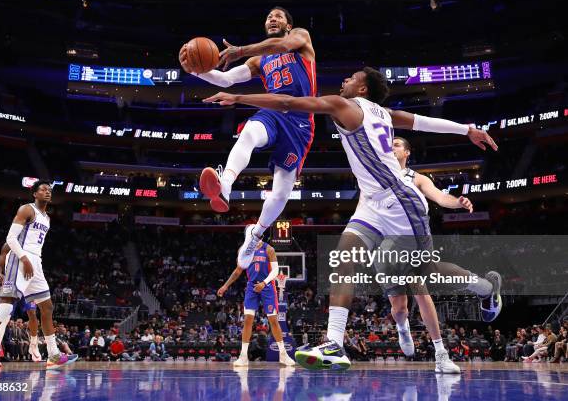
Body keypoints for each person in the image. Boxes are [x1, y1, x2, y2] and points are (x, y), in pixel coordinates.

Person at [203, 66, 497, 373]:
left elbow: (289, 103)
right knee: (345, 254)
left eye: (351, 77)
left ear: (362, 90)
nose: (344, 79)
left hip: (400, 203)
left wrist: (237, 96)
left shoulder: (345, 106)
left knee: (428, 271)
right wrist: (466, 130)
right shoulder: (382, 112)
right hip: (370, 202)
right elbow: (423, 123)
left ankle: (486, 289)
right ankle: (335, 344)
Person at [180, 6, 316, 269]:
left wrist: (240, 50)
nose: (272, 19)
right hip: (274, 110)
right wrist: (195, 69)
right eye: (268, 16)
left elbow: (280, 46)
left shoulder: (300, 38)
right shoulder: (259, 61)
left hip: (300, 121)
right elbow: (226, 79)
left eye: (278, 16)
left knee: (280, 193)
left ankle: (255, 235)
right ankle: (225, 185)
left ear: (289, 25)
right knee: (249, 134)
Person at [384, 137, 502, 362]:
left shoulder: (417, 178)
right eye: (389, 144)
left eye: (397, 144)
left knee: (419, 284)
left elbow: (439, 196)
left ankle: (440, 350)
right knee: (399, 309)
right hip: (387, 242)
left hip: (415, 236)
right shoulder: (377, 175)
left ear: (407, 153)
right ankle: (402, 328)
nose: (391, 146)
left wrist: (457, 202)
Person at [0, 181, 78, 371]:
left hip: (36, 262)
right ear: (34, 193)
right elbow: (10, 239)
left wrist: (31, 261)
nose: (47, 192)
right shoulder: (27, 209)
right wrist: (24, 259)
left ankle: (53, 355)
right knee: (5, 307)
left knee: (47, 306)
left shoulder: (47, 218)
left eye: (49, 190)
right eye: (43, 189)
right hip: (20, 260)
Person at [217, 241, 295, 366]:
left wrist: (264, 283)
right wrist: (225, 286)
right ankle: (243, 357)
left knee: (273, 320)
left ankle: (283, 355)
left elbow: (275, 271)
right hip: (252, 287)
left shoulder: (269, 249)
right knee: (247, 320)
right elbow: (238, 271)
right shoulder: (243, 250)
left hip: (268, 286)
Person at [0, 243, 43, 367]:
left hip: (27, 284)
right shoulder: (8, 245)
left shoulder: (32, 242)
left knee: (33, 314)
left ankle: (33, 345)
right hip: (11, 283)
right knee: (3, 319)